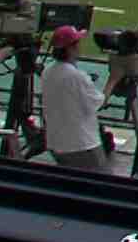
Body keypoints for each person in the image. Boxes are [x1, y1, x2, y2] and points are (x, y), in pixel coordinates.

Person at [40, 26, 113, 172]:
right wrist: (114, 79)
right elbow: (99, 102)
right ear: (70, 48)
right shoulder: (76, 76)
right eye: (77, 44)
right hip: (81, 145)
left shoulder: (48, 70)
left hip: (56, 143)